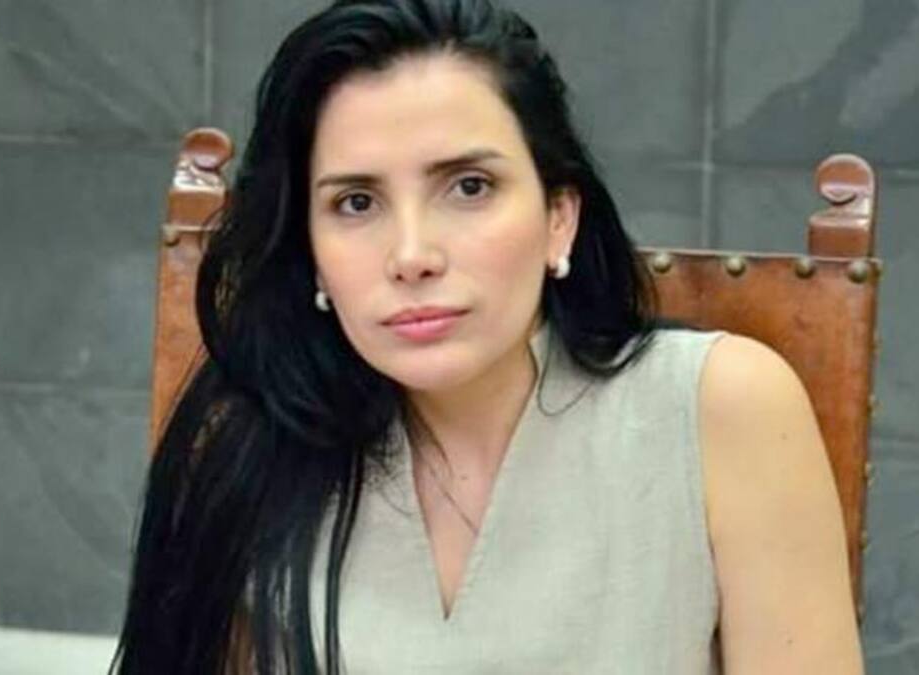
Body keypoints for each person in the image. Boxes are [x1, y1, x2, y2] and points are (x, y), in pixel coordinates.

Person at [113, 1, 864, 673]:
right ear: (310, 250)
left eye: (469, 187)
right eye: (357, 202)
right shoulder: (243, 439)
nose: (412, 255)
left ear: (559, 217)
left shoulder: (718, 409)